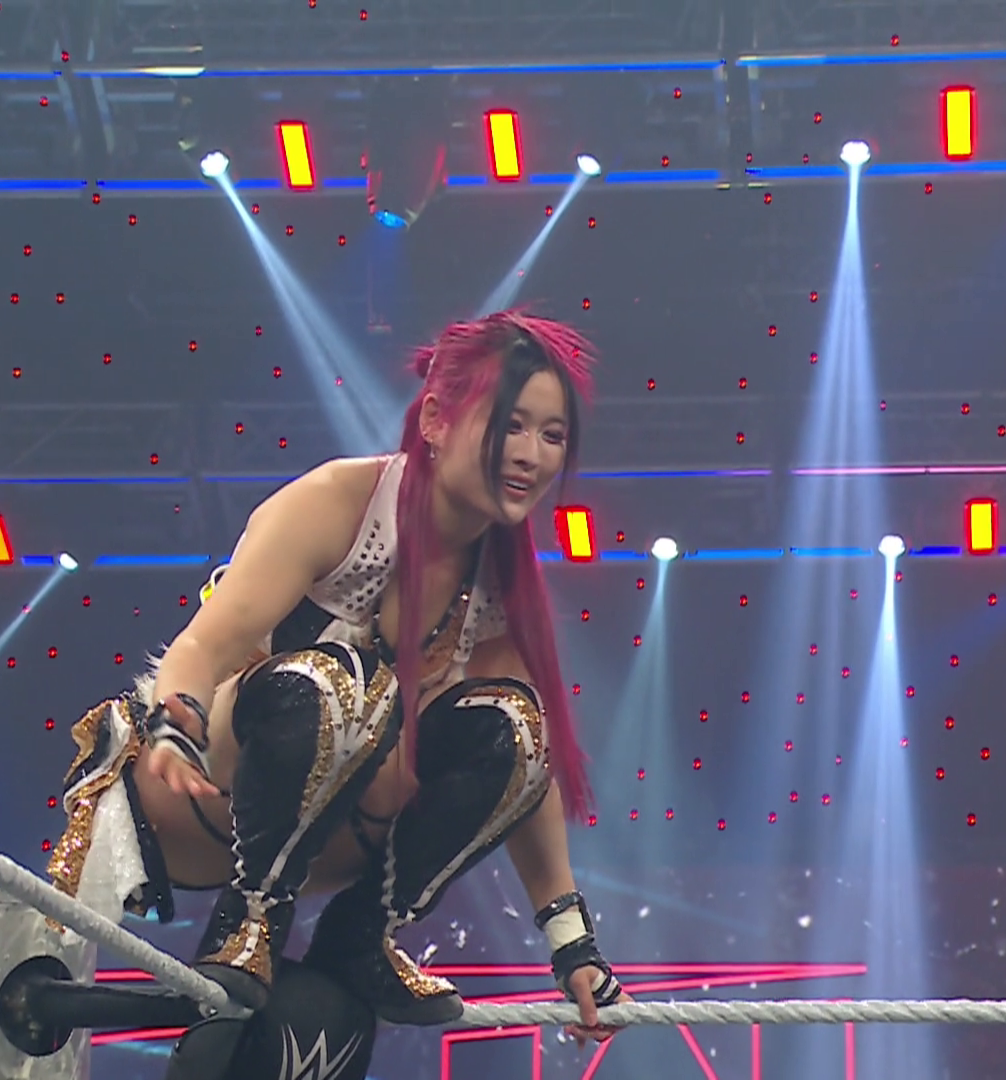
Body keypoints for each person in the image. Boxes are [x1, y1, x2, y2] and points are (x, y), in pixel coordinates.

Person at [46, 310, 631, 1058]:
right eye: (510, 424)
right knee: (348, 688)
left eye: (552, 435)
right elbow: (206, 643)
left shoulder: (497, 581)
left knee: (517, 724)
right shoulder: (339, 502)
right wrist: (174, 724)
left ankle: (361, 935)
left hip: (329, 844)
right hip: (201, 796)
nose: (530, 455)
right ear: (436, 420)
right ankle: (248, 919)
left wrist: (573, 946)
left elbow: (527, 776)